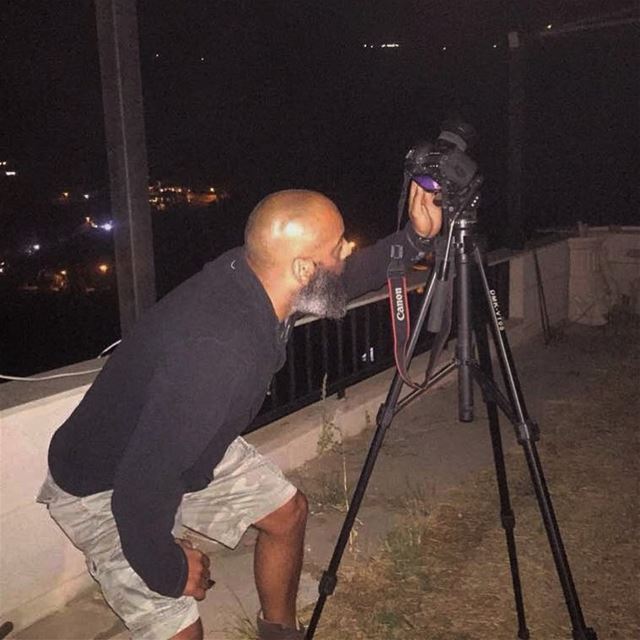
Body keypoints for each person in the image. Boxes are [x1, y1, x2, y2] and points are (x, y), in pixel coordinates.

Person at [38, 184, 442, 640]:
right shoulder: (220, 351)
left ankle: (279, 633)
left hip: (182, 444)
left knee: (287, 514)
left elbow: (342, 281)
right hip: (103, 482)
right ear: (303, 267)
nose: (347, 251)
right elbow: (138, 489)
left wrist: (416, 238)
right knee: (181, 627)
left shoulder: (262, 277)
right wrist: (169, 569)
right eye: (338, 247)